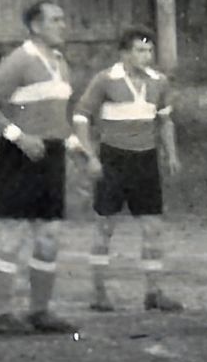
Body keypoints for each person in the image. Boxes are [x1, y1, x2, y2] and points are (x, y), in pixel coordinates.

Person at [0, 0, 94, 337]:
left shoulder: (60, 62)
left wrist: (76, 148)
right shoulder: (20, 59)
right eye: (55, 20)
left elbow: (57, 119)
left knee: (49, 235)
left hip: (51, 156)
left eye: (63, 19)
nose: (63, 25)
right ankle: (4, 315)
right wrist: (19, 137)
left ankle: (40, 311)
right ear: (36, 26)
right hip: (19, 155)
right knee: (13, 234)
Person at [73, 27, 183, 315]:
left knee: (152, 227)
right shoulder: (105, 79)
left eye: (150, 50)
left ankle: (153, 293)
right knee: (105, 226)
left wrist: (171, 154)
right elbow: (81, 117)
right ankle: (99, 293)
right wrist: (90, 155)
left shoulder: (159, 82)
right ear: (124, 53)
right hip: (114, 160)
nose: (146, 56)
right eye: (140, 50)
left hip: (145, 160)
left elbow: (165, 121)